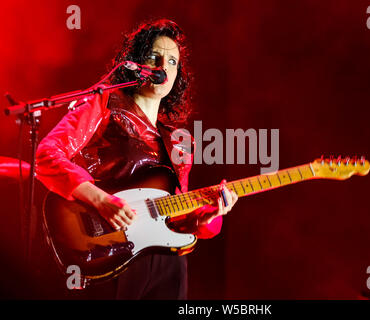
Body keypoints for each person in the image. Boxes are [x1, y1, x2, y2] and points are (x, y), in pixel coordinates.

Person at [35, 19, 238, 299]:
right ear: (134, 63)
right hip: (109, 250)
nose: (162, 67)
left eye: (171, 62)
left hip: (167, 263)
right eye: (153, 57)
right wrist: (100, 200)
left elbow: (178, 216)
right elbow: (47, 156)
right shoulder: (102, 104)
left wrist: (210, 215)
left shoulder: (180, 142)